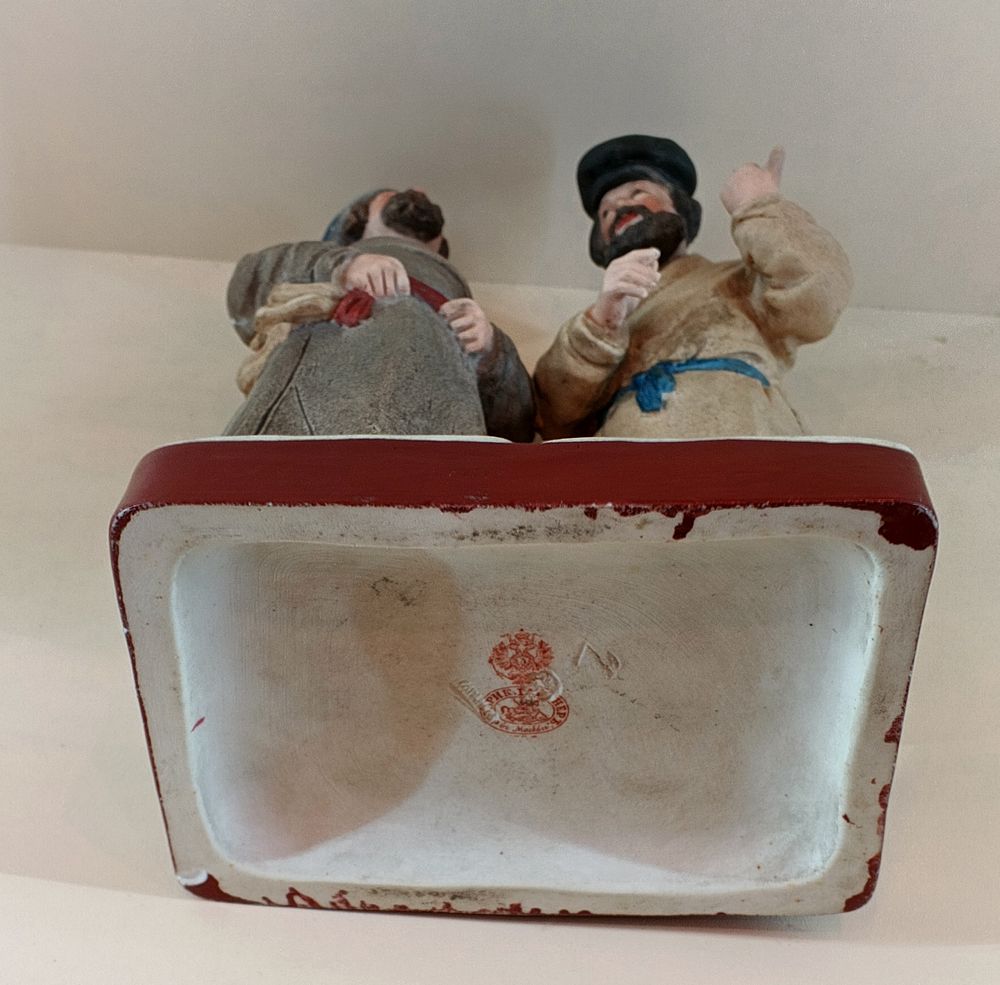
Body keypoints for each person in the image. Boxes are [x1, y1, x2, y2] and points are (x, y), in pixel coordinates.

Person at [533, 135, 853, 439]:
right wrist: (600, 324)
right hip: (630, 465)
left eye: (638, 193)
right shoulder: (601, 321)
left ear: (681, 208)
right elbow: (551, 417)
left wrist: (760, 207)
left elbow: (819, 292)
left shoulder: (739, 283)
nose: (619, 209)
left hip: (741, 443)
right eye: (605, 212)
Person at [225, 188, 535, 441]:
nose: (418, 190)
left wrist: (492, 352)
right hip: (310, 411)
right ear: (359, 220)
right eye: (392, 194)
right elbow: (246, 285)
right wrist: (342, 265)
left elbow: (518, 429)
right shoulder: (323, 260)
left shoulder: (461, 309)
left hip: (436, 447)